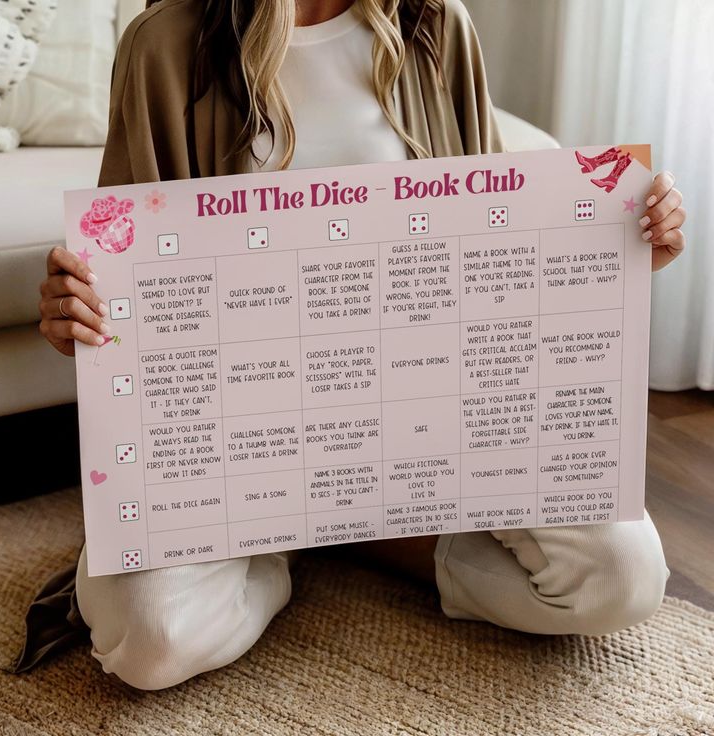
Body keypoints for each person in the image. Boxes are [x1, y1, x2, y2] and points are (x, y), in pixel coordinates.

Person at [36, 0, 685, 691]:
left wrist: (620, 250)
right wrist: (80, 318)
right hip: (242, 450)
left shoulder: (435, 26)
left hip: (431, 427)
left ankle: (378, 535)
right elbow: (126, 295)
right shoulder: (164, 45)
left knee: (625, 578)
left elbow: (505, 254)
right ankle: (285, 547)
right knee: (147, 641)